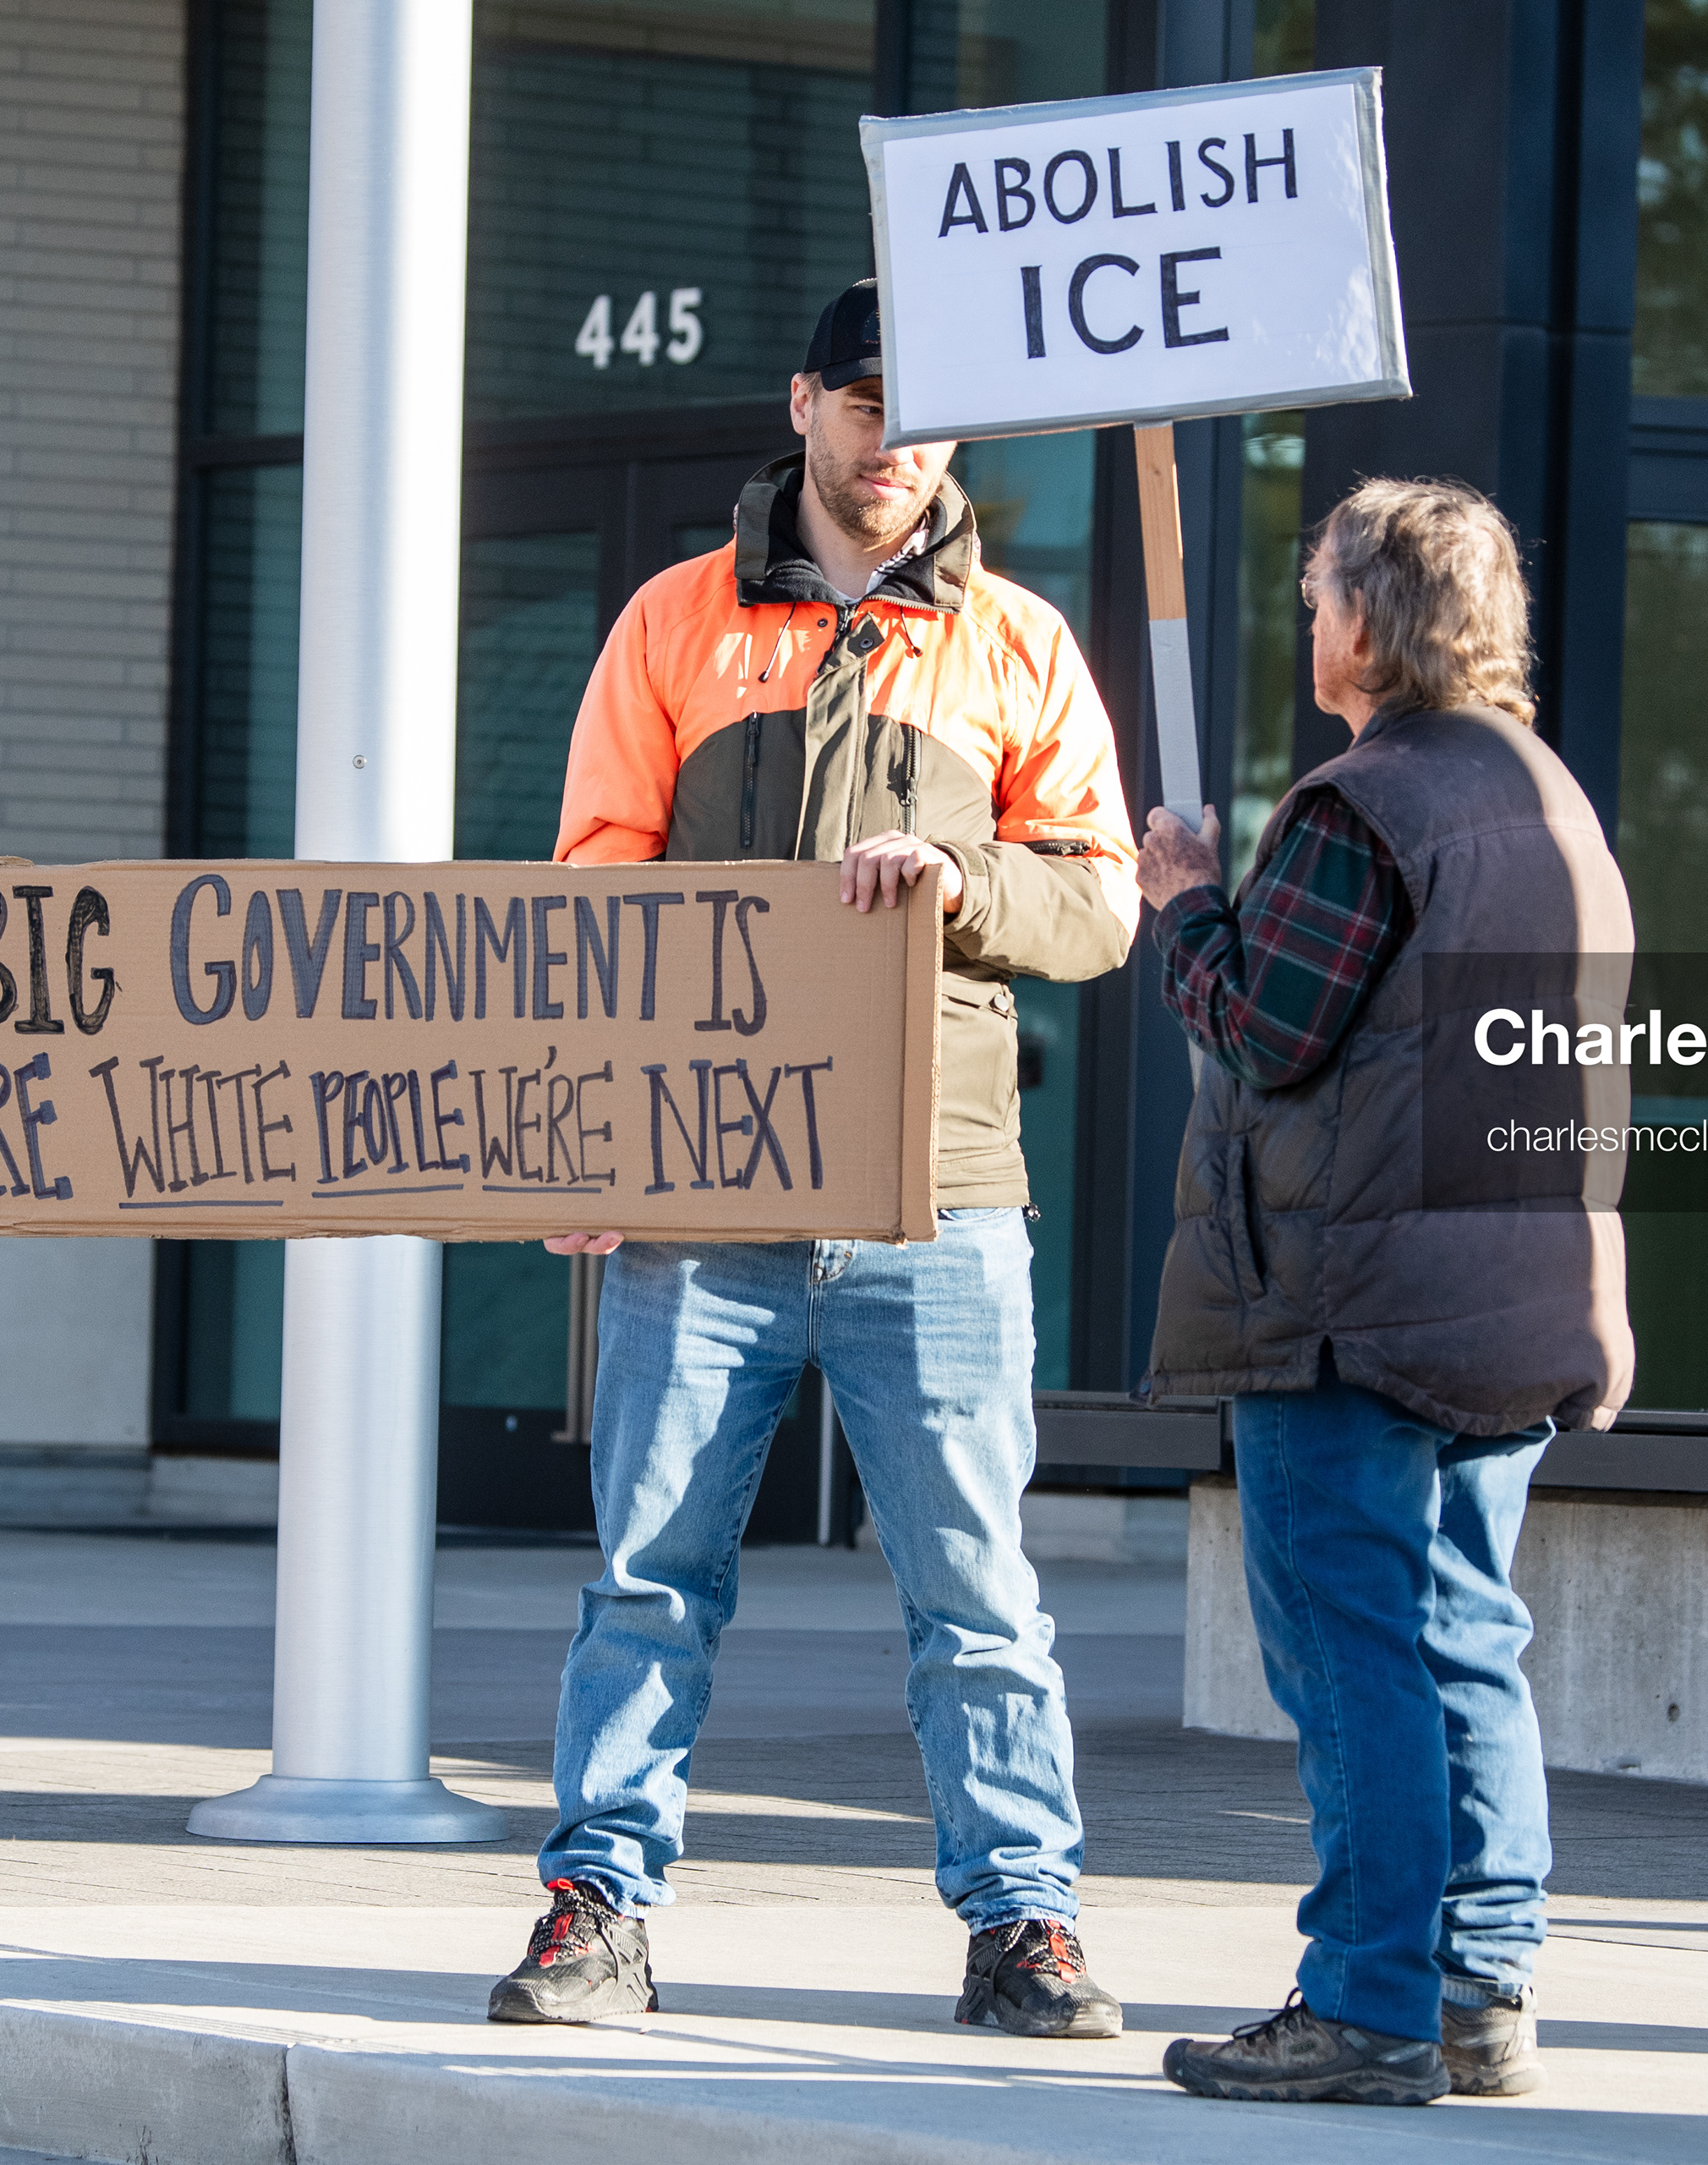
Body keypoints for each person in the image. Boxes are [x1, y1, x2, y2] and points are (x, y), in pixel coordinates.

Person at [484, 279, 1141, 2040]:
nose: (895, 438)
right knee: (648, 1565)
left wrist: (964, 884)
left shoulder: (1015, 641)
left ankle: (1026, 1922)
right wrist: (591, 1133)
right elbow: (587, 895)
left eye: (923, 410)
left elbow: (1098, 902)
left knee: (976, 1586)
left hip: (938, 1197)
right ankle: (597, 1903)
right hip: (700, 1194)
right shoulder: (674, 625)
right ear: (802, 404)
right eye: (864, 400)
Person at [1135, 478, 1634, 2106]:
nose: (1303, 619)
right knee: (1469, 1635)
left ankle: (1366, 2000)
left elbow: (1269, 1028)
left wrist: (1189, 902)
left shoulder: (1365, 807)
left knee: (1354, 1650)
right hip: (1515, 1299)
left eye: (1319, 592)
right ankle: (1482, 1985)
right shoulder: (1555, 802)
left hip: (1353, 1308)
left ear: (1380, 618)